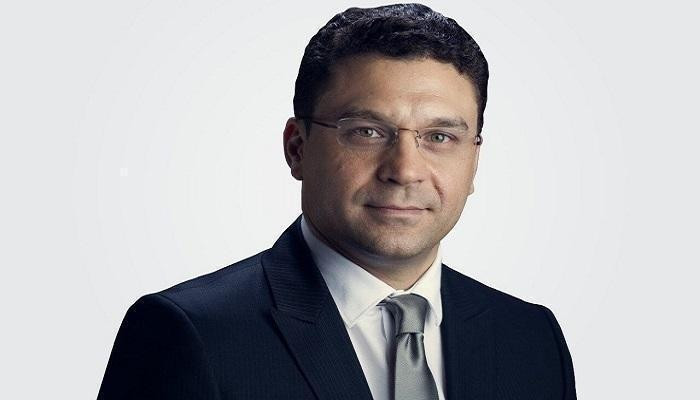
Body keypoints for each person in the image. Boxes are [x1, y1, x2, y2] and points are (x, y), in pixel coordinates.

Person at [97, 3, 576, 399]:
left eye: (439, 137)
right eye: (367, 132)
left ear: (474, 159)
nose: (404, 170)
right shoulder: (187, 334)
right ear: (297, 148)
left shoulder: (530, 339)